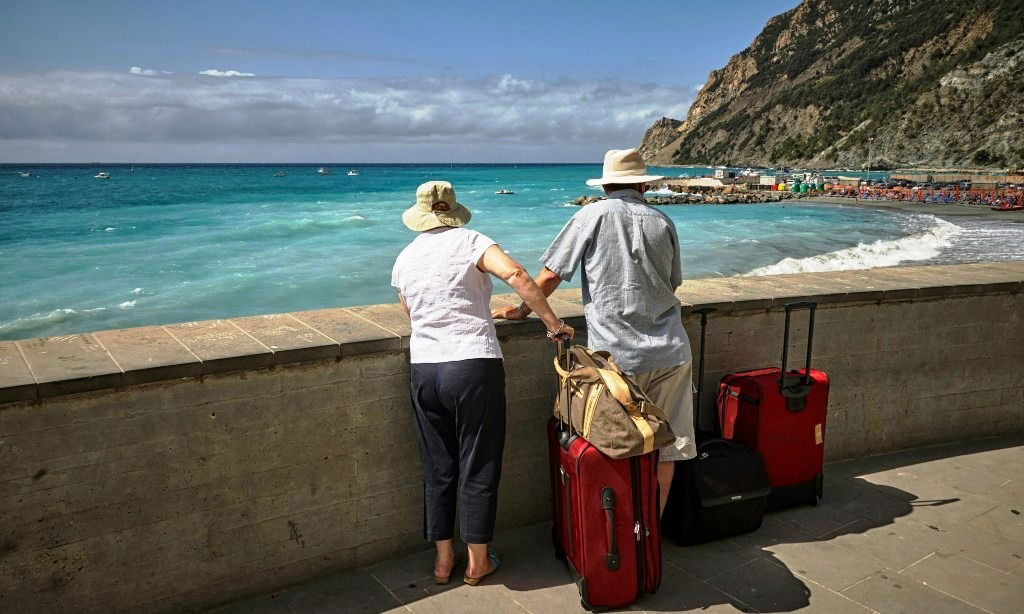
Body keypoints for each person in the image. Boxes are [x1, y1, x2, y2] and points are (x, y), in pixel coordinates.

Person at [392, 180, 574, 586]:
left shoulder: (405, 257)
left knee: (437, 466)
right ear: (453, 211)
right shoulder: (472, 241)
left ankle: (442, 560)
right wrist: (553, 325)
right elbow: (517, 274)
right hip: (473, 363)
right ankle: (477, 560)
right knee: (478, 461)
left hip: (425, 368)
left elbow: (411, 311)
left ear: (420, 215)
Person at [494, 148, 695, 515]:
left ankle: (619, 542)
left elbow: (552, 274)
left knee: (616, 447)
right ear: (642, 184)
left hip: (617, 359)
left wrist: (522, 310)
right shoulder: (662, 220)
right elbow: (673, 284)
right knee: (670, 448)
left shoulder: (591, 215)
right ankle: (650, 535)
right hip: (671, 351)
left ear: (605, 186)